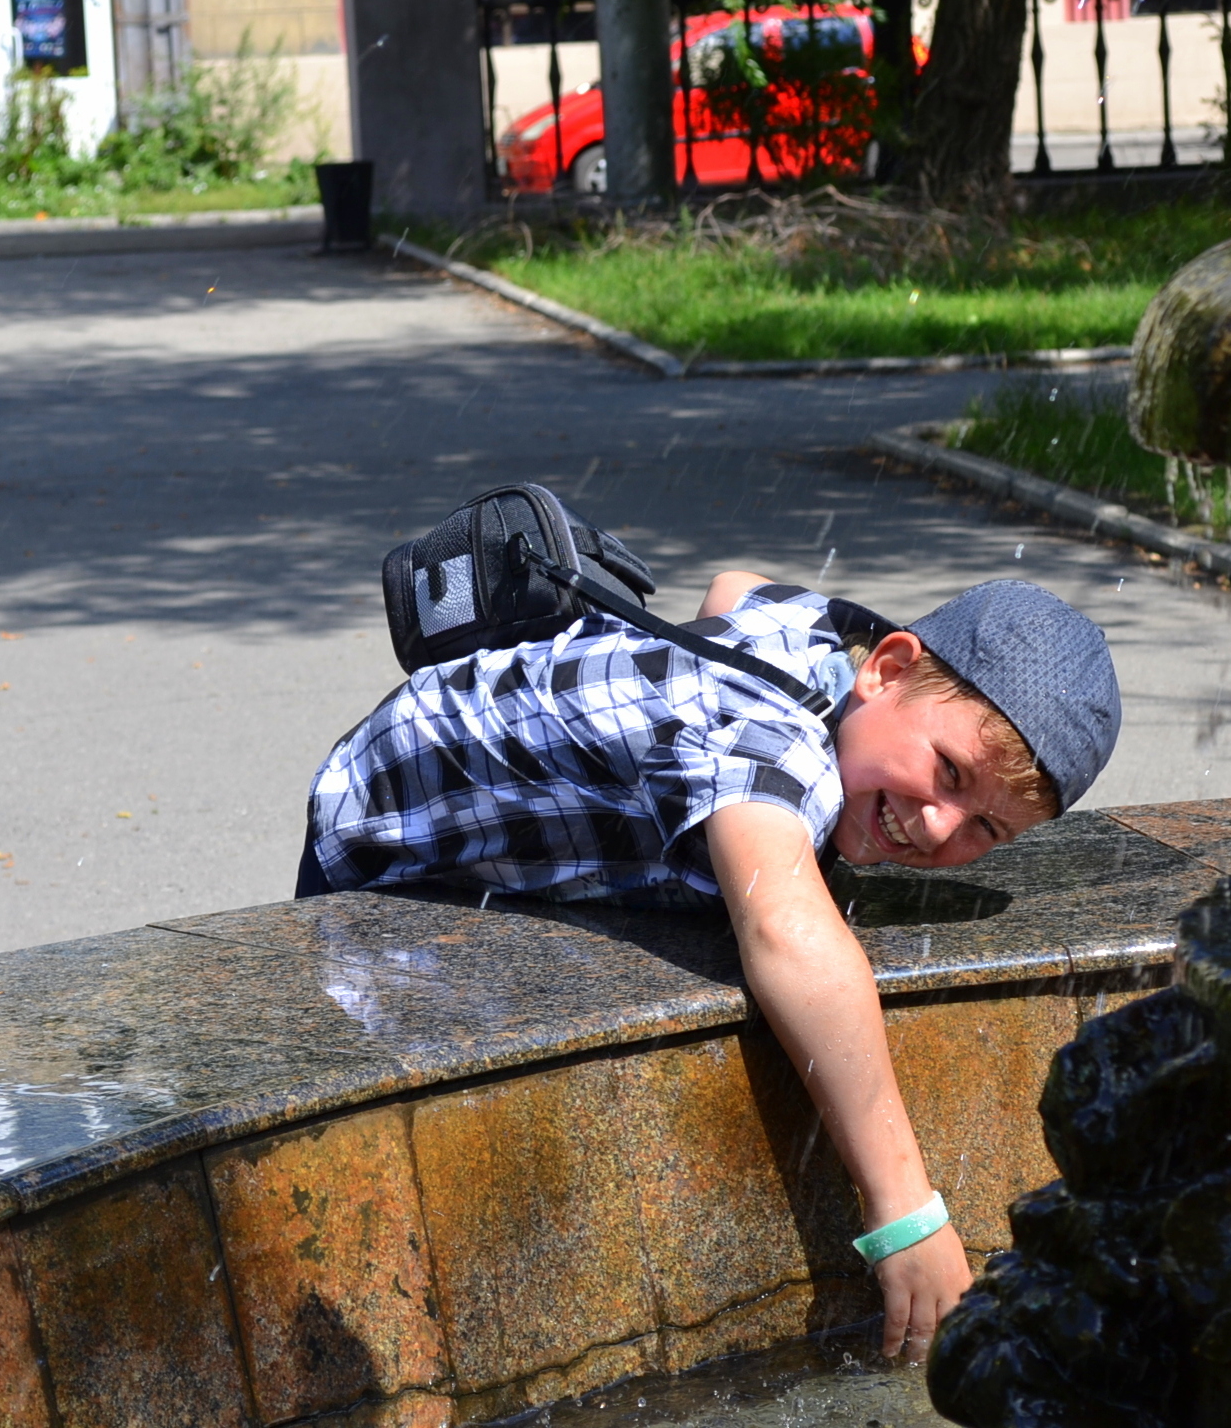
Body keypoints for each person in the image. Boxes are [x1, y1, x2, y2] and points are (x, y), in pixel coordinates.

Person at [300, 573, 1122, 1360]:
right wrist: (905, 1210)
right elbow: (789, 937)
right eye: (947, 772)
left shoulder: (832, 640)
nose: (940, 828)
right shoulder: (772, 743)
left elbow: (733, 589)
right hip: (386, 839)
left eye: (988, 829)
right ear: (889, 668)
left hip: (433, 755)